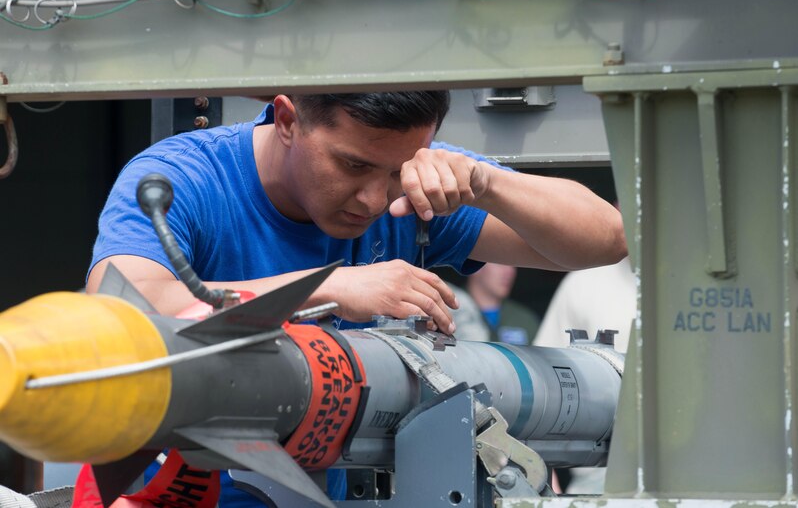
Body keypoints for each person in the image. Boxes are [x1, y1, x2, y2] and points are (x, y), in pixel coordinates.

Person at [86, 91, 627, 505]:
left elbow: (607, 239)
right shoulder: (185, 177)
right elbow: (128, 314)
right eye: (353, 166)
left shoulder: (409, 188)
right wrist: (330, 288)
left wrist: (484, 183)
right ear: (288, 120)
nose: (373, 198)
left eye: (394, 172)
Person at [533, 254, 635, 494]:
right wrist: (544, 475)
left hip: (692, 469)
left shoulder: (702, 285)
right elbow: (544, 384)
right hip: (597, 477)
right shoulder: (585, 282)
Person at [450, 263, 540, 345]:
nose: (509, 271)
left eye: (513, 264)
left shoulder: (525, 320)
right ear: (474, 265)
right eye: (500, 262)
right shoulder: (449, 309)